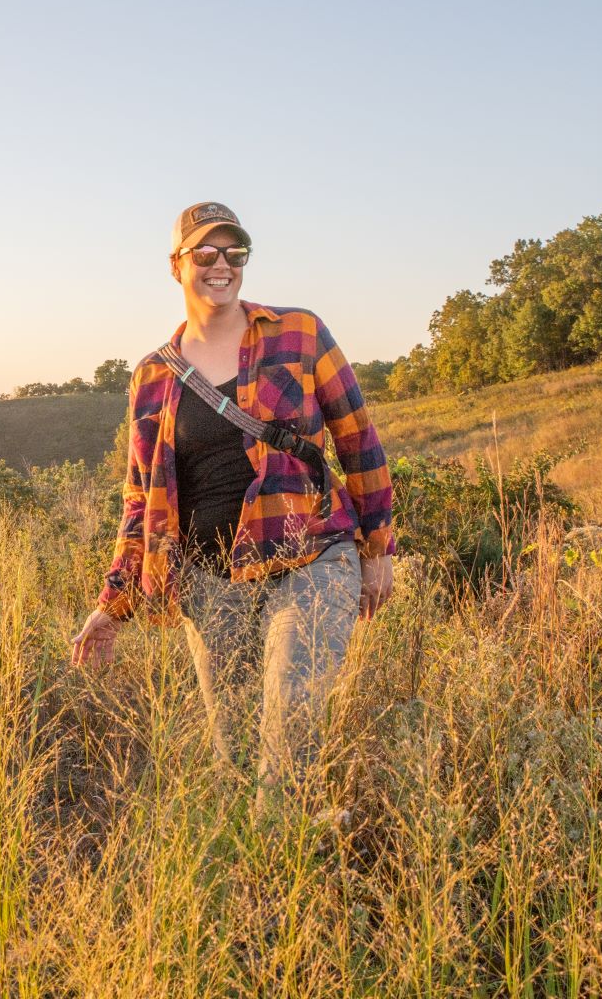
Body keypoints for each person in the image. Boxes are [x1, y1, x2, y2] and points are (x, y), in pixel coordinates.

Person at [70, 203, 394, 793]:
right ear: (177, 266)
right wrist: (113, 601)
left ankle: (289, 870)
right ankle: (255, 874)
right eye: (205, 253)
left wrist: (378, 548)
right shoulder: (153, 376)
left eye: (234, 252)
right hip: (208, 580)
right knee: (235, 754)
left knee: (288, 733)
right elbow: (141, 500)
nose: (222, 264)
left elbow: (357, 438)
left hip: (310, 559)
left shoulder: (299, 333)